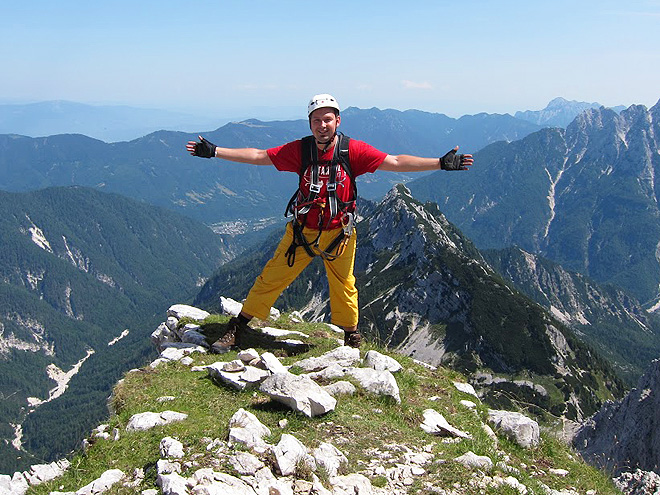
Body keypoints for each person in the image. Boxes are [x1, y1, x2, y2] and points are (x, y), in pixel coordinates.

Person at [186, 94, 473, 352]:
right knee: (272, 277)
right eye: (316, 120)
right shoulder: (301, 150)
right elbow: (260, 156)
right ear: (309, 123)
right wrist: (215, 151)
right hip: (303, 232)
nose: (322, 125)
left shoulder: (353, 151)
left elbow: (396, 162)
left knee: (345, 284)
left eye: (327, 119)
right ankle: (239, 326)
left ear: (337, 120)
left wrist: (439, 163)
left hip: (340, 232)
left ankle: (350, 334)